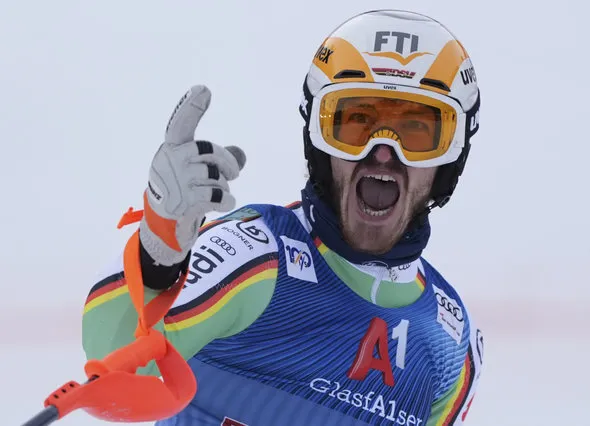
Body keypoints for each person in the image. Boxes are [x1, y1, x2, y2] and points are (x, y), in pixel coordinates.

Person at [82, 9, 483, 426]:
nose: (383, 151)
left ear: (451, 159)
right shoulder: (254, 259)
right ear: (318, 143)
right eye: (355, 122)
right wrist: (159, 249)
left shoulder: (451, 346)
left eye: (418, 132)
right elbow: (116, 377)